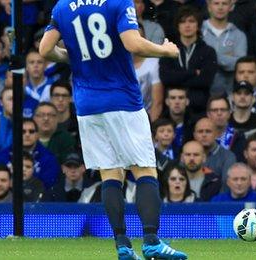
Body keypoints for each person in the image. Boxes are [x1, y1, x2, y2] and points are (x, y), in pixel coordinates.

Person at [39, 0, 187, 259]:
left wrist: (70, 56)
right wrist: (166, 51)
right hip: (122, 101)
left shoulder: (62, 6)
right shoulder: (118, 2)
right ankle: (151, 240)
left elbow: (45, 50)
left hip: (87, 105)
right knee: (143, 169)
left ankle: (123, 245)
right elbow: (133, 43)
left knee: (110, 174)